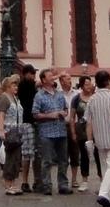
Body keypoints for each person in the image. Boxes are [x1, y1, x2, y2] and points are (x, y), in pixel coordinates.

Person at [84, 69, 110, 207]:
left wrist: (89, 140)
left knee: (105, 167)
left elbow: (88, 122)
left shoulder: (92, 100)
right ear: (108, 82)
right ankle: (104, 193)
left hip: (99, 139)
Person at [32, 68, 71, 196]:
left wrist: (63, 113)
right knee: (47, 161)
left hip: (61, 130)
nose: (52, 78)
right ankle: (47, 185)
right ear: (43, 80)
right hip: (46, 132)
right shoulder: (39, 95)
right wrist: (50, 115)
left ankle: (63, 185)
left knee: (63, 160)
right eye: (50, 76)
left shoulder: (59, 94)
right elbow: (35, 114)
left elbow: (65, 109)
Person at [0, 74, 24, 196]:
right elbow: (0, 114)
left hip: (17, 131)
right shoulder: (4, 98)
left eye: (16, 85)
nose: (16, 87)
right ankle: (8, 184)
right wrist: (1, 130)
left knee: (16, 158)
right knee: (10, 158)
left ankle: (13, 182)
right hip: (9, 131)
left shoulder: (15, 98)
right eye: (13, 85)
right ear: (7, 86)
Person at [16, 64, 40, 193]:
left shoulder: (30, 86)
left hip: (34, 122)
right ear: (26, 74)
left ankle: (36, 180)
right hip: (27, 122)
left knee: (35, 153)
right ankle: (25, 181)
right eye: (32, 74)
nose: (34, 76)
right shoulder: (24, 85)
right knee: (27, 153)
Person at [69, 74, 94, 191]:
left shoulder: (95, 97)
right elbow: (72, 117)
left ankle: (102, 179)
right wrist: (73, 132)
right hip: (81, 131)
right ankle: (84, 180)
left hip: (95, 130)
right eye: (87, 84)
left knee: (98, 155)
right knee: (83, 155)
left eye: (90, 84)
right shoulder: (76, 99)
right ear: (82, 86)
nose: (89, 86)